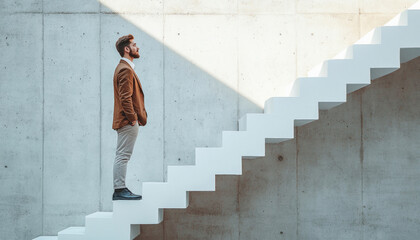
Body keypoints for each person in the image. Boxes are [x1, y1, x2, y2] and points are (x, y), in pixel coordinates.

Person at [112, 34, 147, 200]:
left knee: (122, 155)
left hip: (126, 121)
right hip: (127, 121)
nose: (137, 47)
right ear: (127, 49)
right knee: (123, 155)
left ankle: (120, 189)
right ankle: (119, 189)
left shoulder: (125, 68)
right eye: (134, 45)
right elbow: (125, 97)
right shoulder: (125, 69)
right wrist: (133, 118)